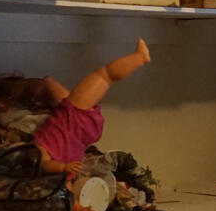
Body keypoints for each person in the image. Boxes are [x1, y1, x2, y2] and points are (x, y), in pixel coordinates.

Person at [33, 39, 151, 175]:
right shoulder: (42, 143)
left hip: (83, 134)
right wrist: (62, 168)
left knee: (64, 99)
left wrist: (64, 170)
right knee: (105, 76)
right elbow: (44, 164)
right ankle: (140, 57)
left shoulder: (52, 149)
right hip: (77, 120)